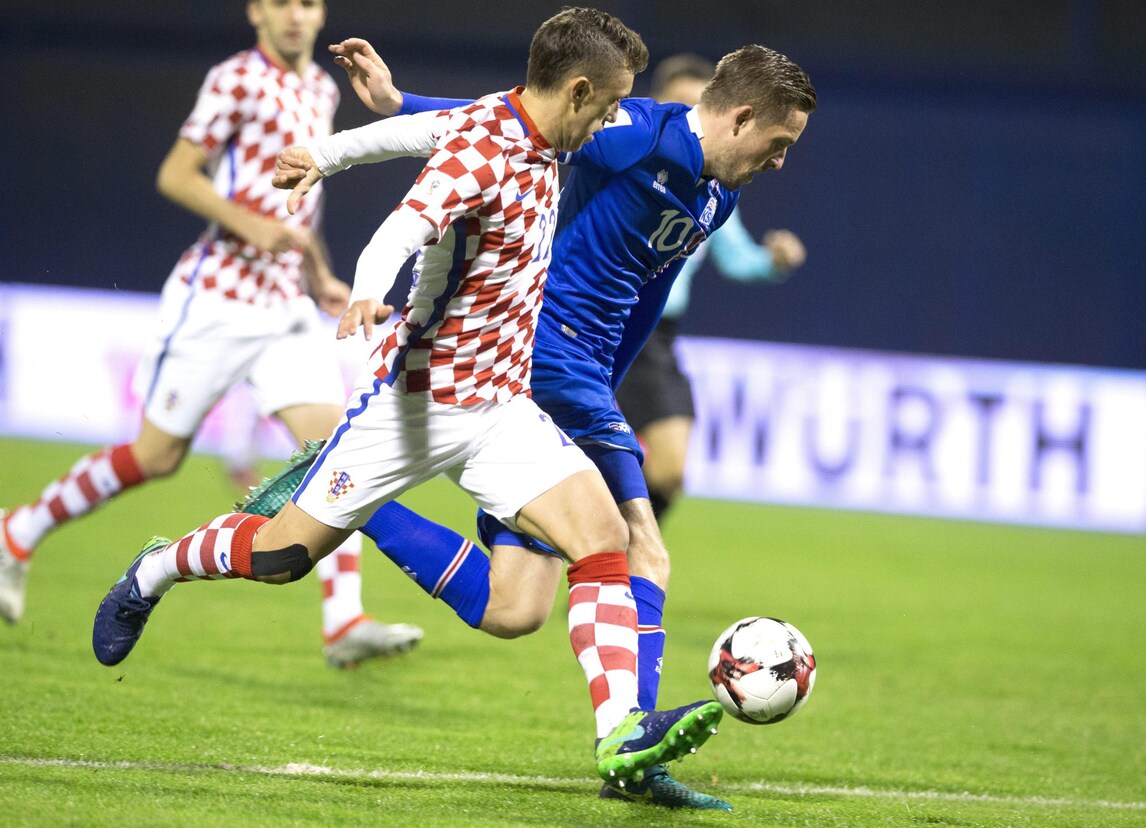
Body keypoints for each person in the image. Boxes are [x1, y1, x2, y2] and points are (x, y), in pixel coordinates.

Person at [92, 7, 724, 792]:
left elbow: (406, 132)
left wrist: (324, 153)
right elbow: (403, 226)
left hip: (502, 409)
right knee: (281, 557)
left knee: (604, 537)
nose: (609, 123)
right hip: (415, 407)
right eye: (607, 105)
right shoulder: (484, 153)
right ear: (577, 90)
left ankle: (621, 732)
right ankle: (156, 569)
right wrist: (367, 289)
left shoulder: (529, 127)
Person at [268, 34, 815, 809]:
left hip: (587, 374)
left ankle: (339, 491)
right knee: (644, 549)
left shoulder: (717, 197)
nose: (782, 161)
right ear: (743, 117)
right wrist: (398, 104)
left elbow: (646, 301)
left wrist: (609, 390)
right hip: (544, 351)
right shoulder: (640, 134)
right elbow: (514, 116)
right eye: (780, 142)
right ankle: (632, 750)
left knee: (514, 606)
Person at [0, 0, 423, 669]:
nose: (294, 16)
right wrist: (250, 226)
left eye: (307, 3)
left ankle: (343, 619)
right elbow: (176, 173)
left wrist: (316, 273)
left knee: (335, 447)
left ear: (321, 16)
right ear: (256, 12)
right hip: (217, 301)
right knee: (155, 457)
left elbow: (301, 200)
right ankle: (18, 530)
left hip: (283, 305)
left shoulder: (320, 87)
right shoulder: (235, 78)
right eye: (280, 3)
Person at [614, 53, 807, 521]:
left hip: (657, 336)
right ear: (657, 103)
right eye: (679, 103)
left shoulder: (716, 189)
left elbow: (736, 257)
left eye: (698, 105)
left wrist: (771, 262)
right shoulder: (631, 154)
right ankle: (602, 547)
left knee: (669, 471)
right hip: (606, 318)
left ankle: (610, 545)